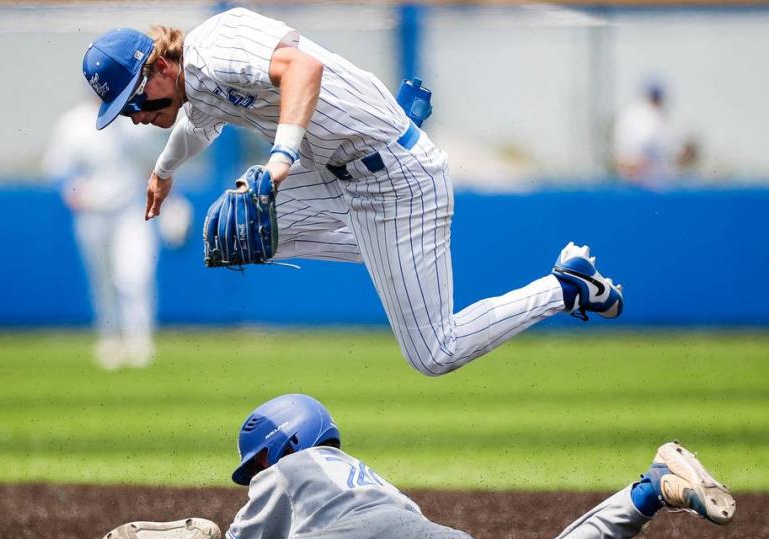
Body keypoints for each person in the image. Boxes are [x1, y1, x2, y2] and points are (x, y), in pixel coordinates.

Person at [80, 8, 624, 377]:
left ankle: (565, 287)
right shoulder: (196, 86)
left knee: (435, 353)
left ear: (159, 65)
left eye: (133, 100)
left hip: (394, 183)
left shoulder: (216, 45)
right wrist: (164, 169)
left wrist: (281, 157)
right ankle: (391, 152)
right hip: (345, 172)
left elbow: (303, 67)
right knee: (233, 231)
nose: (133, 115)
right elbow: (200, 122)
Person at [94, 393, 736, 539]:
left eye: (256, 459)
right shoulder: (362, 471)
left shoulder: (287, 468)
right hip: (426, 536)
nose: (255, 472)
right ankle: (650, 489)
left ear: (280, 444)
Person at [43, 97, 191, 370]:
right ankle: (110, 341)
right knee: (103, 281)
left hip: (131, 209)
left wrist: (174, 202)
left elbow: (157, 167)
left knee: (134, 275)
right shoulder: (74, 123)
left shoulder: (139, 121)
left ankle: (139, 341)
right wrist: (74, 194)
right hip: (92, 212)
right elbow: (60, 170)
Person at [614, 81, 698, 188]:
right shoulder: (649, 116)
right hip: (646, 181)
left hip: (633, 179)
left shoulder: (631, 113)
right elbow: (642, 148)